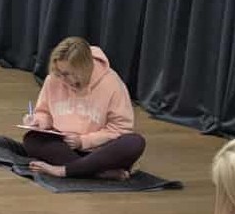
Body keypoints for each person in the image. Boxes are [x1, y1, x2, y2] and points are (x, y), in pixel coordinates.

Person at [22, 36, 145, 179]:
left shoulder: (112, 83)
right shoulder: (54, 79)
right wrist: (38, 121)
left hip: (100, 151)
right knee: (32, 138)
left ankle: (64, 170)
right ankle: (97, 173)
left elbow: (120, 128)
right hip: (65, 147)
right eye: (58, 73)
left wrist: (84, 141)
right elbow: (44, 112)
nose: (62, 79)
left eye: (67, 74)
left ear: (83, 68)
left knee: (134, 142)